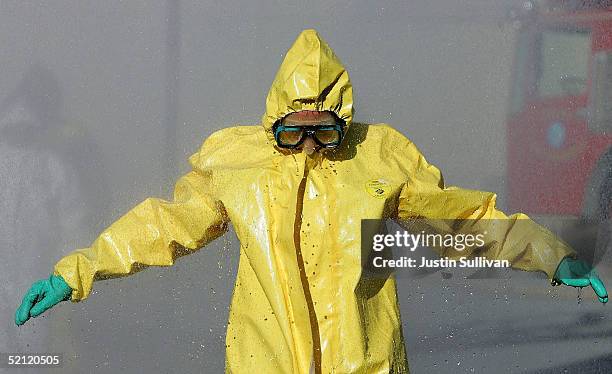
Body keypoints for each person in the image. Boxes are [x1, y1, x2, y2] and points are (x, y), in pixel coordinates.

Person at [14, 29, 608, 374]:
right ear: (271, 120)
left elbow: (467, 219)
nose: (307, 146)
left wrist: (551, 254)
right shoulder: (237, 164)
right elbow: (164, 225)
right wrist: (79, 270)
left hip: (365, 364)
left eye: (322, 131)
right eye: (291, 131)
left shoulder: (378, 157)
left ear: (341, 121)